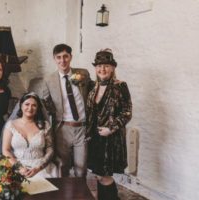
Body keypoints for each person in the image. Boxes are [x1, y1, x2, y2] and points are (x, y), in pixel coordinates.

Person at [86, 48, 132, 200]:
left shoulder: (120, 86)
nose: (102, 69)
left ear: (113, 68)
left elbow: (127, 112)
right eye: (99, 66)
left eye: (106, 65)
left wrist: (110, 129)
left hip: (110, 140)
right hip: (96, 139)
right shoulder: (93, 87)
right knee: (99, 176)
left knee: (105, 176)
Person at [41, 43, 91, 177]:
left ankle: (79, 197)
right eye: (59, 57)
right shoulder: (49, 80)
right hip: (62, 129)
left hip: (82, 128)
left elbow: (94, 93)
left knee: (81, 170)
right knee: (62, 168)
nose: (62, 60)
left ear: (71, 57)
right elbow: (45, 104)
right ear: (54, 59)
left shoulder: (83, 74)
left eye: (65, 56)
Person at [2, 92, 58, 178]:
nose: (30, 108)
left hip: (40, 167)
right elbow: (6, 150)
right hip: (17, 166)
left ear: (38, 108)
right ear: (21, 106)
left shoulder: (45, 125)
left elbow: (50, 148)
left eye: (34, 105)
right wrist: (19, 168)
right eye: (27, 104)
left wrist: (39, 167)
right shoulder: (11, 125)